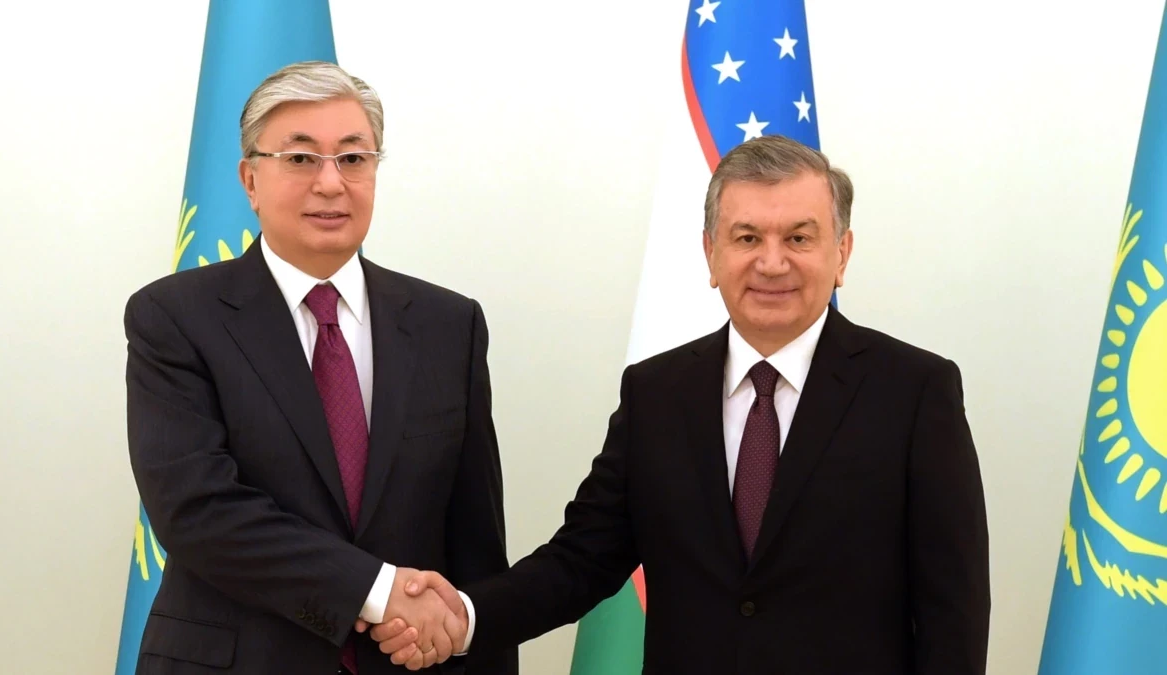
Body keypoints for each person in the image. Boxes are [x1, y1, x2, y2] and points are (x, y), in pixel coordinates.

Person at [370, 135, 991, 674]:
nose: (772, 261)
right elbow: (582, 560)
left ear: (842, 253)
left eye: (799, 237)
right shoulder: (656, 394)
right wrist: (465, 616)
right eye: (747, 237)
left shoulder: (915, 392)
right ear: (711, 253)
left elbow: (952, 607)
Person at [124, 60, 517, 674]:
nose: (331, 183)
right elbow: (197, 509)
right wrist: (377, 590)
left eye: (353, 158)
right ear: (250, 180)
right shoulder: (174, 317)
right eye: (301, 158)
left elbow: (476, 541)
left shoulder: (449, 324)